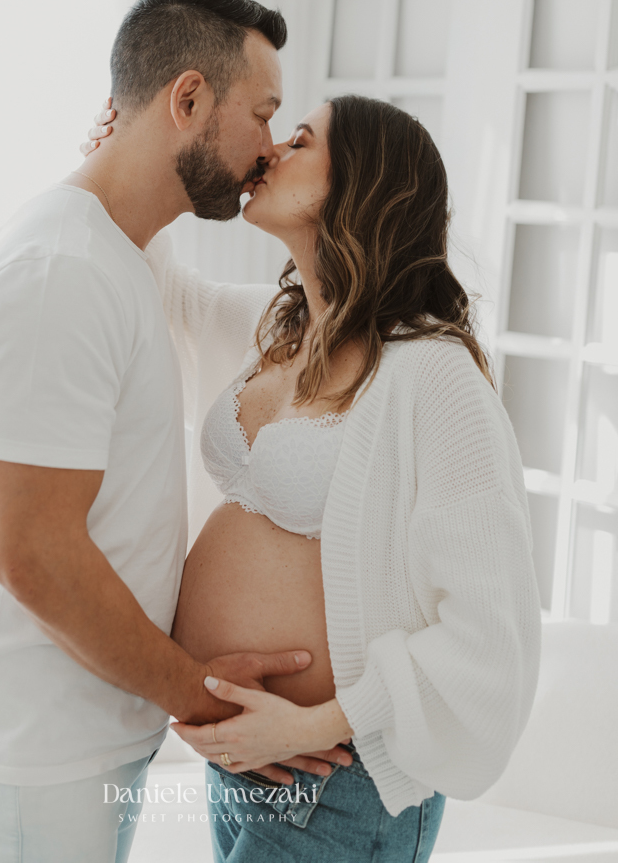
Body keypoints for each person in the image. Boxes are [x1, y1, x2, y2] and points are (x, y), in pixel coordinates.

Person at [0, 0, 353, 863]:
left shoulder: (121, 256)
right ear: (188, 98)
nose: (267, 147)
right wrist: (204, 695)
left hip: (73, 739)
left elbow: (276, 325)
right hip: (28, 748)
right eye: (263, 115)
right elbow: (36, 555)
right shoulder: (59, 273)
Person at [85, 91, 542, 862]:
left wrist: (309, 724)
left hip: (340, 780)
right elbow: (164, 293)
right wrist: (137, 146)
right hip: (244, 768)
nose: (268, 153)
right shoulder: (279, 331)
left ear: (362, 186)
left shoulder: (432, 376)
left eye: (298, 140)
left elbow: (490, 635)